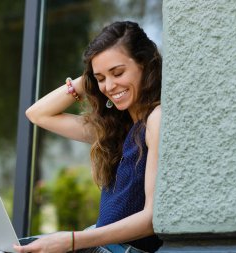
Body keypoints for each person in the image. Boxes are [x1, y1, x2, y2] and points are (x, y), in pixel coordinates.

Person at [14, 21, 163, 253]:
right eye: (101, 78)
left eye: (118, 72)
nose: (110, 86)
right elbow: (37, 114)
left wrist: (72, 241)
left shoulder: (156, 119)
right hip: (97, 245)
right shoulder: (117, 128)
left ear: (144, 64)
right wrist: (89, 80)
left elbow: (151, 219)